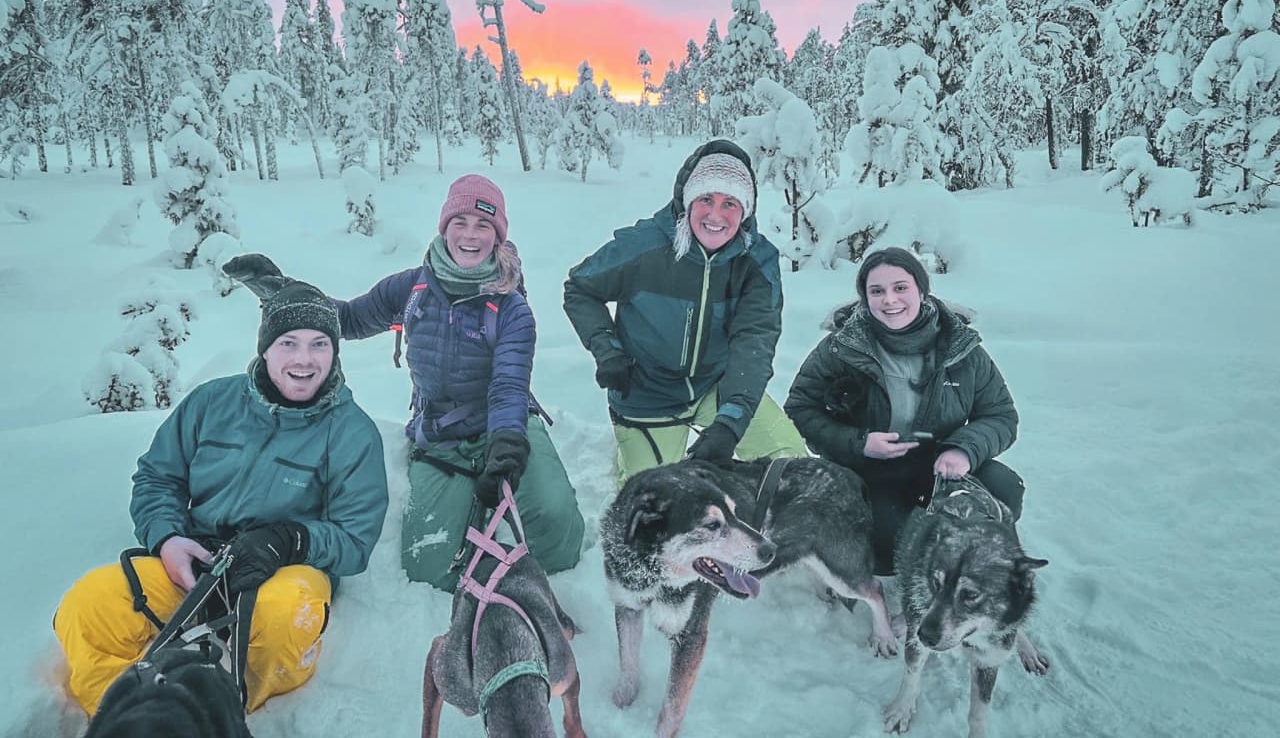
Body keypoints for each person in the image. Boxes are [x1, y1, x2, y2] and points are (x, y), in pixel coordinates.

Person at [230, 175, 584, 591]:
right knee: (427, 569)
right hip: (442, 437)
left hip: (506, 428)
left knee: (560, 538)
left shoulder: (511, 307)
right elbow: (346, 319)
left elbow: (509, 383)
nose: (470, 235)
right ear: (444, 226)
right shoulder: (412, 287)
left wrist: (506, 447)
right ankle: (473, 519)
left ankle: (507, 526)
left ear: (498, 235)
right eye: (461, 222)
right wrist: (286, 295)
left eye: (483, 225)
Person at [54, 281, 390, 716]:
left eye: (319, 344)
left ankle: (232, 711)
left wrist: (290, 540)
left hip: (283, 572)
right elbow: (159, 477)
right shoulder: (212, 401)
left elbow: (354, 541)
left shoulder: (352, 432)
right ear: (265, 348)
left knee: (285, 618)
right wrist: (168, 539)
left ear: (334, 352)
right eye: (288, 343)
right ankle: (129, 717)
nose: (304, 359)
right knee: (89, 606)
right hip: (196, 562)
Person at [564, 139, 808, 482]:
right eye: (706, 199)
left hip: (718, 384)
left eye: (730, 203)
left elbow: (754, 341)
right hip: (648, 392)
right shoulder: (644, 245)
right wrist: (607, 350)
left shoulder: (757, 261)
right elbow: (579, 288)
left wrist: (730, 422)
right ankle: (630, 458)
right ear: (687, 201)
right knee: (651, 500)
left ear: (747, 210)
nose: (715, 215)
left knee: (792, 468)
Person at [784, 246, 1026, 574]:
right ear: (865, 298)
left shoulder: (962, 349)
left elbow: (1000, 415)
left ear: (921, 291)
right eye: (877, 291)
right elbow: (800, 409)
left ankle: (968, 562)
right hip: (871, 473)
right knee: (887, 540)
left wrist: (963, 451)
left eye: (900, 288)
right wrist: (859, 442)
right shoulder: (841, 348)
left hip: (942, 468)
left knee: (1002, 487)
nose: (890, 300)